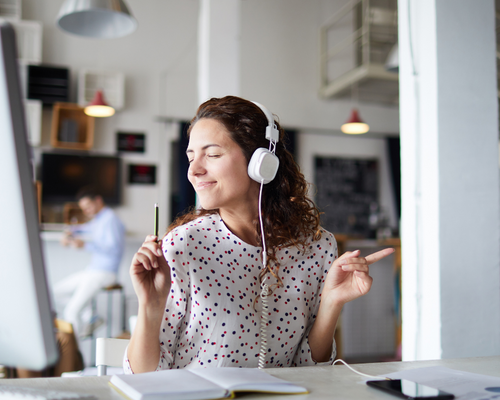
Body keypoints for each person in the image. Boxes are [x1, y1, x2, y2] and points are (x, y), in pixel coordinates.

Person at [125, 96, 394, 373]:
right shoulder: (184, 244)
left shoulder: (318, 246)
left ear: (262, 162)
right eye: (191, 157)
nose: (194, 170)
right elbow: (145, 377)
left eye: (213, 154)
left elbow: (310, 368)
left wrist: (331, 303)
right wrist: (149, 306)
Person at [54, 186, 125, 338]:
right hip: (92, 271)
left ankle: (73, 356)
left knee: (71, 311)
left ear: (98, 200)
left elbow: (113, 249)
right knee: (54, 293)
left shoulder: (110, 218)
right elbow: (86, 228)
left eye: (88, 207)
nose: (86, 211)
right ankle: (90, 316)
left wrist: (85, 245)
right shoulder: (99, 219)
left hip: (105, 273)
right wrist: (70, 232)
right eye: (83, 209)